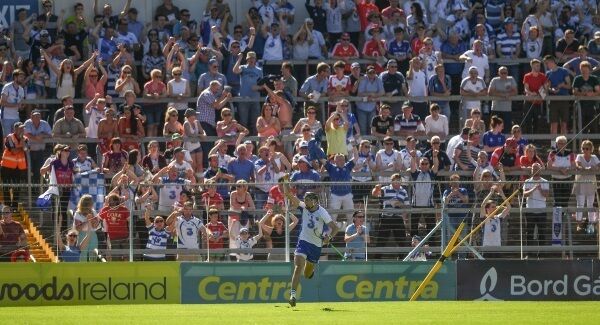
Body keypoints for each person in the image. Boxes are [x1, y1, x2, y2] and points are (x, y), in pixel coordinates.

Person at [282, 177, 338, 307]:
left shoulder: (322, 212)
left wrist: (328, 237)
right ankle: (293, 295)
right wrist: (285, 181)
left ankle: (310, 271)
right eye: (305, 200)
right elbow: (288, 194)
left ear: (315, 201)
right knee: (298, 266)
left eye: (308, 200)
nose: (305, 202)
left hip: (316, 245)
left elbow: (334, 228)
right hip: (303, 241)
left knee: (307, 274)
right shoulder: (303, 207)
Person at [522, 163, 549, 248]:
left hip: (542, 210)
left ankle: (541, 254)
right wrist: (533, 189)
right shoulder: (527, 181)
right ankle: (529, 254)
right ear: (531, 170)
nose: (535, 170)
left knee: (542, 233)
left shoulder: (545, 181)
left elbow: (546, 195)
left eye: (536, 168)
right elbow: (524, 194)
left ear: (540, 170)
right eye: (533, 168)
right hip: (530, 210)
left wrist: (540, 189)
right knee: (529, 232)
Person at [0, 122, 27, 208]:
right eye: (20, 128)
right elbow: (14, 150)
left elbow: (26, 149)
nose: (22, 130)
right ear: (15, 129)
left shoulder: (25, 138)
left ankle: (14, 206)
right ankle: (7, 206)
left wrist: (21, 142)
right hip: (6, 166)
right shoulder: (9, 137)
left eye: (23, 128)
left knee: (17, 188)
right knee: (6, 187)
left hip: (18, 167)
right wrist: (21, 147)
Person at [574, 140, 599, 228]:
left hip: (591, 182)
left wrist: (594, 167)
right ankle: (579, 222)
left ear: (591, 149)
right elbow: (577, 165)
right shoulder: (579, 156)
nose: (585, 150)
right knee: (580, 203)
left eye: (587, 148)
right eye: (583, 148)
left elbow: (598, 166)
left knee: (590, 204)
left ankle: (591, 223)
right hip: (581, 182)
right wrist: (584, 168)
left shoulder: (594, 157)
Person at [99, 193, 130, 261]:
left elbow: (130, 221)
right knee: (116, 258)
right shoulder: (105, 209)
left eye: (112, 201)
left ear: (117, 201)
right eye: (109, 201)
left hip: (124, 237)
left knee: (126, 257)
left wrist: (130, 234)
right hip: (113, 238)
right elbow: (99, 219)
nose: (111, 203)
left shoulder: (124, 209)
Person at [480, 187, 511, 254]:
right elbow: (483, 205)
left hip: (497, 247)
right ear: (487, 209)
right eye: (493, 207)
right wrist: (491, 193)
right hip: (487, 248)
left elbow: (508, 207)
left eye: (495, 206)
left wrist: (502, 194)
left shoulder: (498, 218)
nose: (495, 208)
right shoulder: (484, 218)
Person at [72, 194, 101, 262]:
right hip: (82, 235)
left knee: (93, 255)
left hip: (92, 234)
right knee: (82, 255)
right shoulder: (77, 213)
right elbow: (78, 229)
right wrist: (87, 221)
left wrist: (94, 220)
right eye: (91, 202)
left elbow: (95, 226)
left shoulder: (93, 211)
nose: (93, 203)